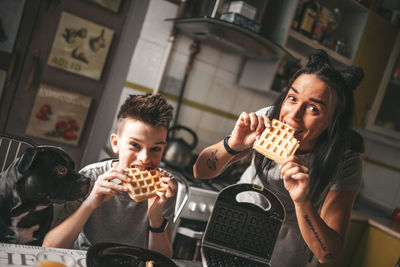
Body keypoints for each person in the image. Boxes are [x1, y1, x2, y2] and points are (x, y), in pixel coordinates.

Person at [193, 50, 365, 266]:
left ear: (334, 120)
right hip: (229, 236)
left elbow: (327, 254)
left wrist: (302, 201)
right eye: (292, 98)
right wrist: (233, 145)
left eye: (313, 108)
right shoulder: (268, 119)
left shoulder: (345, 160)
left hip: (281, 256)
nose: (294, 114)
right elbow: (200, 171)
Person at [43, 93, 177, 258]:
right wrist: (90, 203)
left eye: (156, 148)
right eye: (135, 145)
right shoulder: (90, 177)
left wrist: (156, 220)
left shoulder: (164, 188)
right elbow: (50, 249)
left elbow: (162, 261)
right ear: (116, 143)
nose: (145, 159)